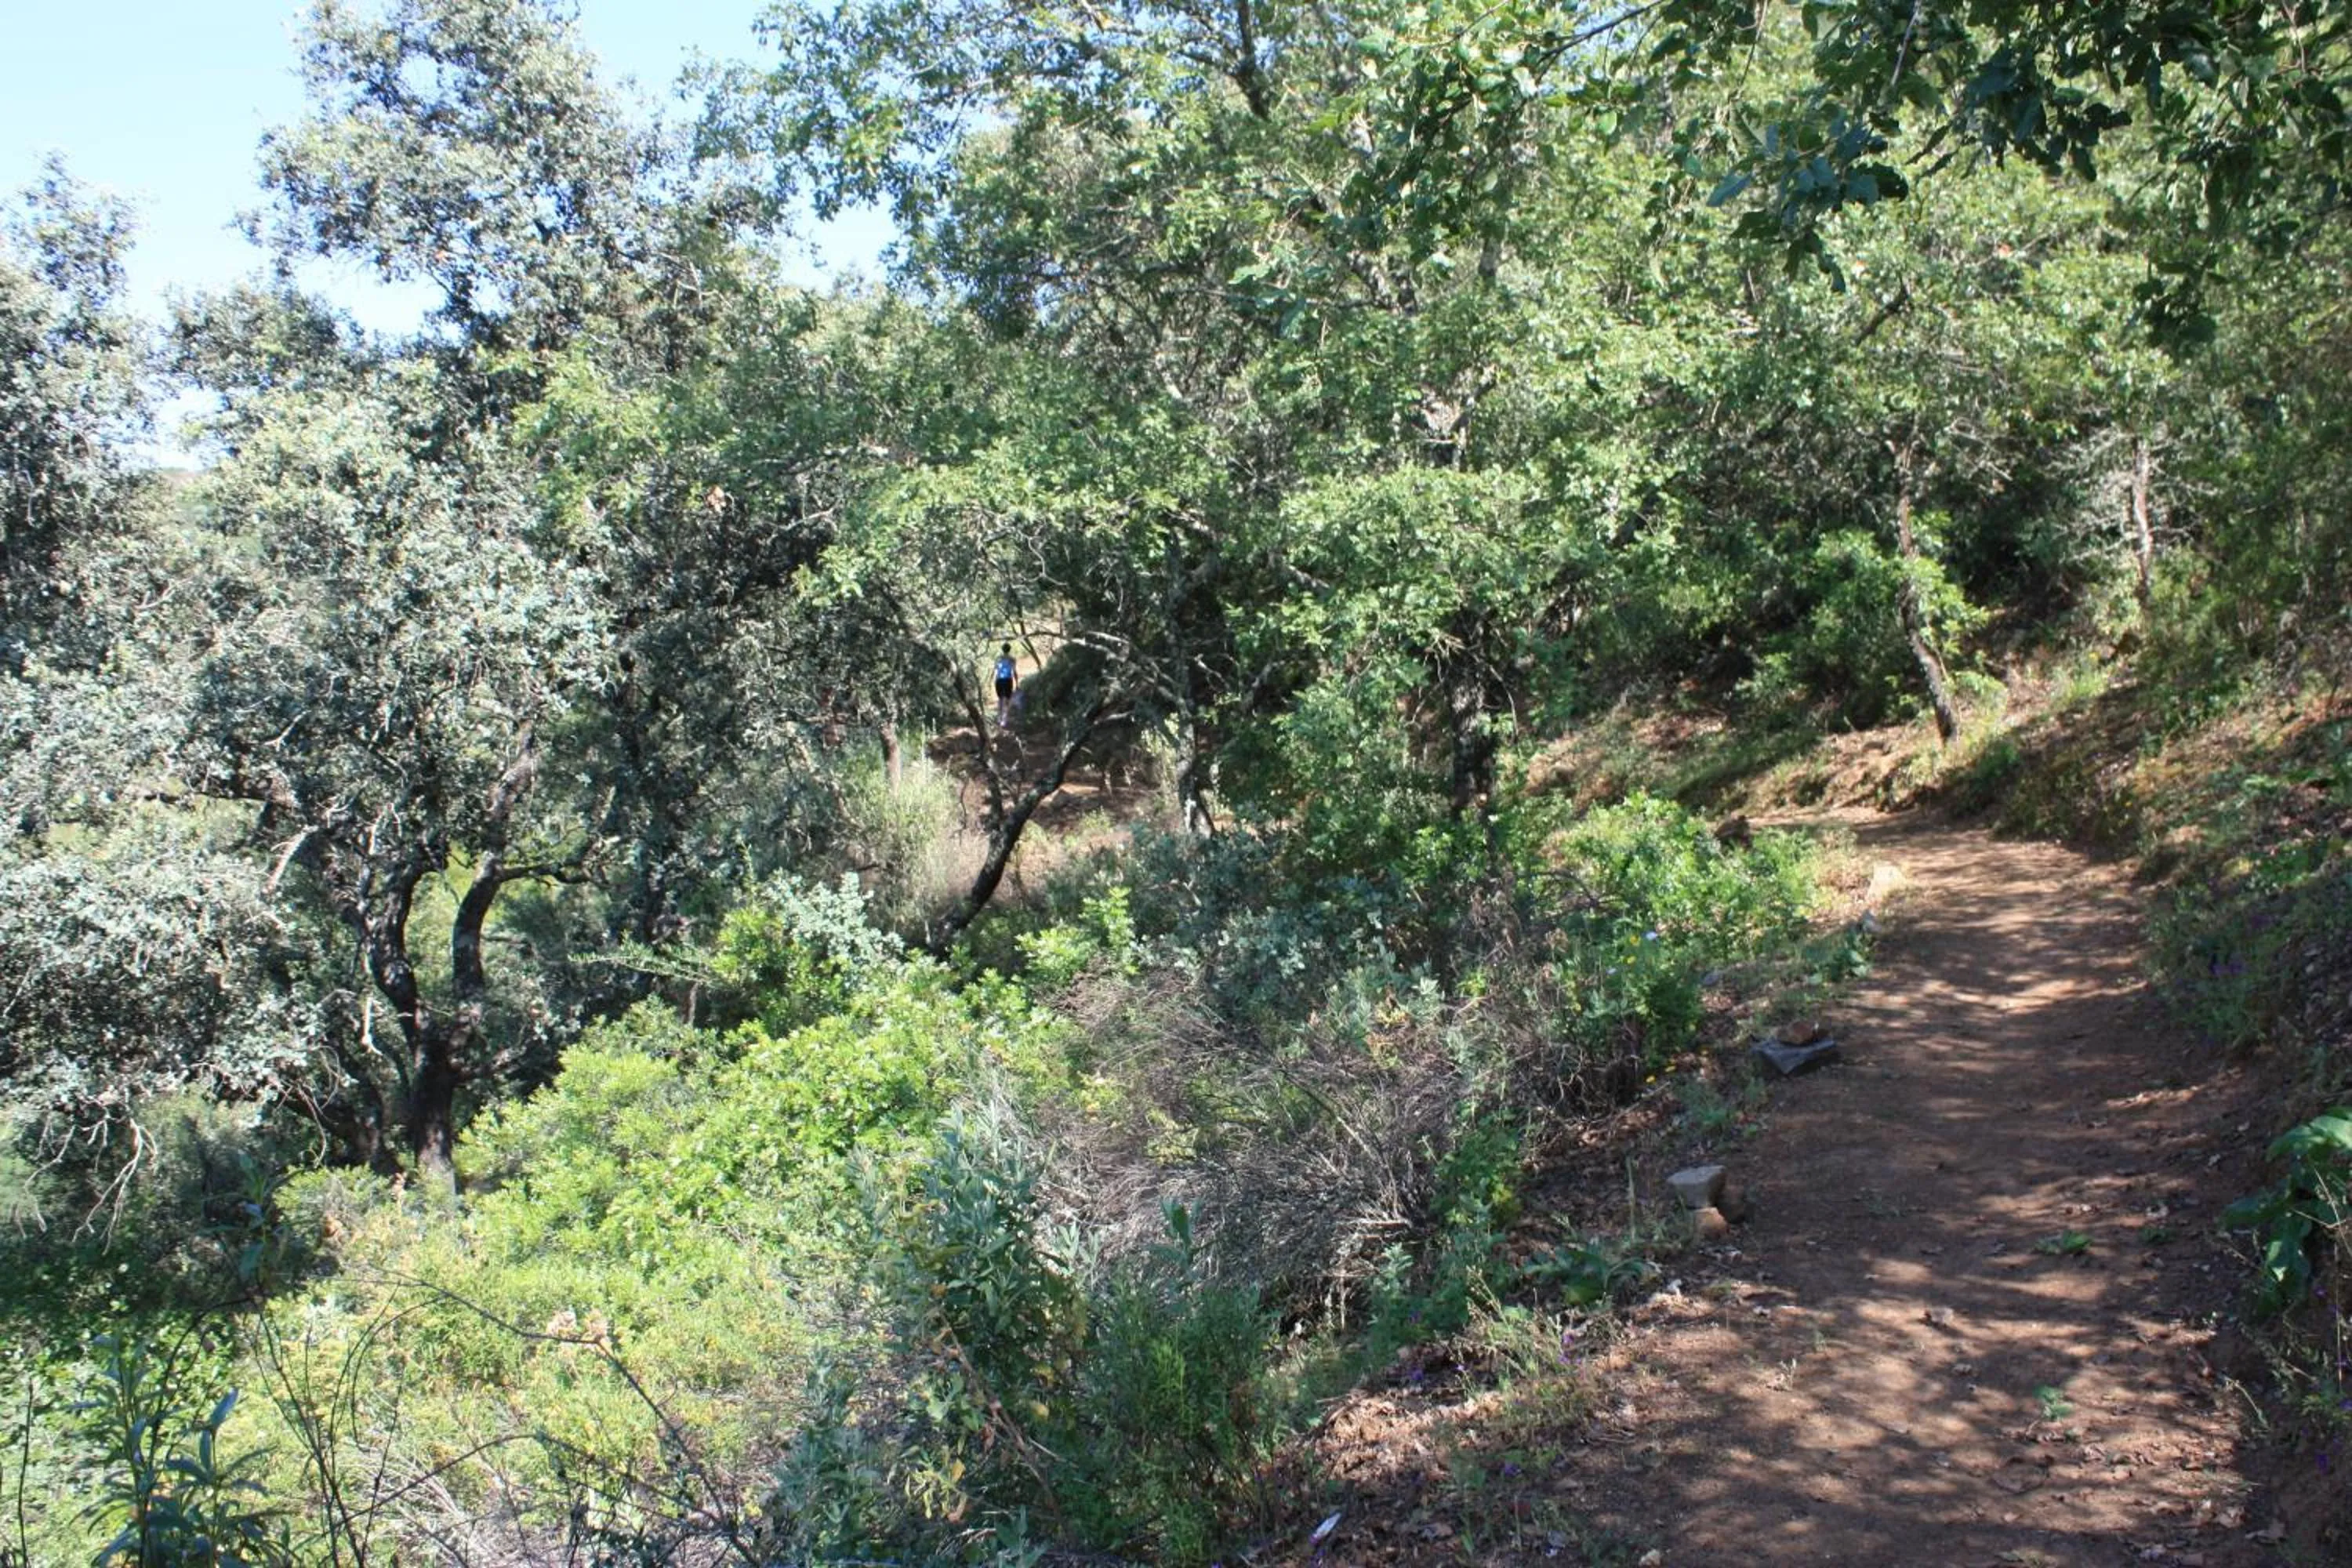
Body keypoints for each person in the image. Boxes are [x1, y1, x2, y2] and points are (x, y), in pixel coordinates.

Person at [993, 642, 1018, 729]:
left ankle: (999, 718)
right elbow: (1014, 671)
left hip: (999, 680)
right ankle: (1004, 719)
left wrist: (992, 680)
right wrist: (1017, 682)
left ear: (1002, 649)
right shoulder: (1012, 659)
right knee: (1007, 700)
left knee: (1000, 699)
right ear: (1009, 649)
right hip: (1008, 680)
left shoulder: (998, 658)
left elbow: (995, 670)